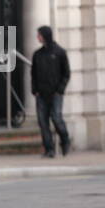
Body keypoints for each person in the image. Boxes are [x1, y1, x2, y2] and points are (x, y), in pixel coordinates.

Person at [31, 25, 72, 158]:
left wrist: (60, 90)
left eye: (39, 35)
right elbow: (33, 74)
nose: (37, 37)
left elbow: (66, 73)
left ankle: (65, 140)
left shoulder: (60, 52)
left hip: (55, 94)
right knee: (43, 122)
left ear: (45, 35)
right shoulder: (37, 54)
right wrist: (35, 90)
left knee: (56, 118)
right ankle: (49, 149)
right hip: (41, 94)